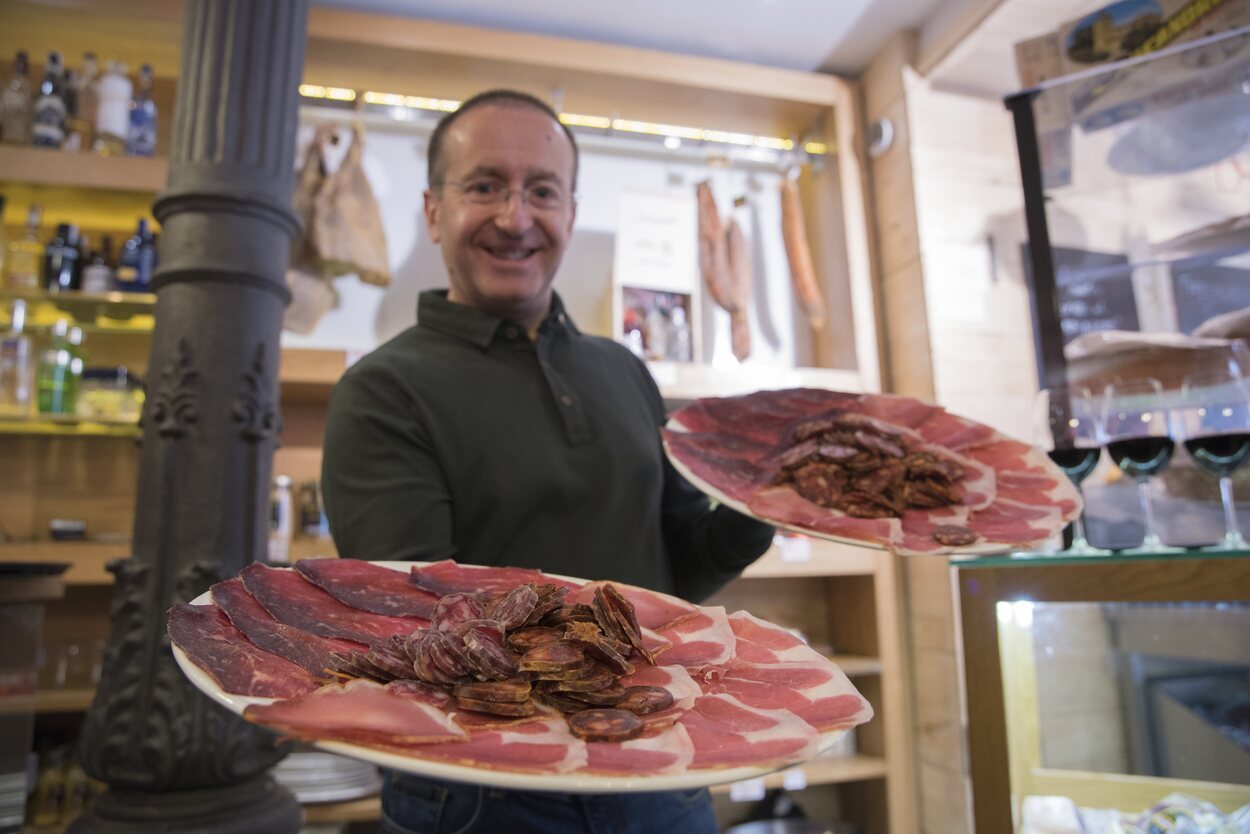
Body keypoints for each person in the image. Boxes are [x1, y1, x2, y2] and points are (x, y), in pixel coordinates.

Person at [321, 89, 776, 834]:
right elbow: (421, 624)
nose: (515, 217)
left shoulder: (624, 371)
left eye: (542, 191)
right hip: (481, 787)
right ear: (434, 212)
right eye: (485, 186)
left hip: (657, 764)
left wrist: (759, 504)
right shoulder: (382, 389)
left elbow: (677, 568)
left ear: (569, 209)